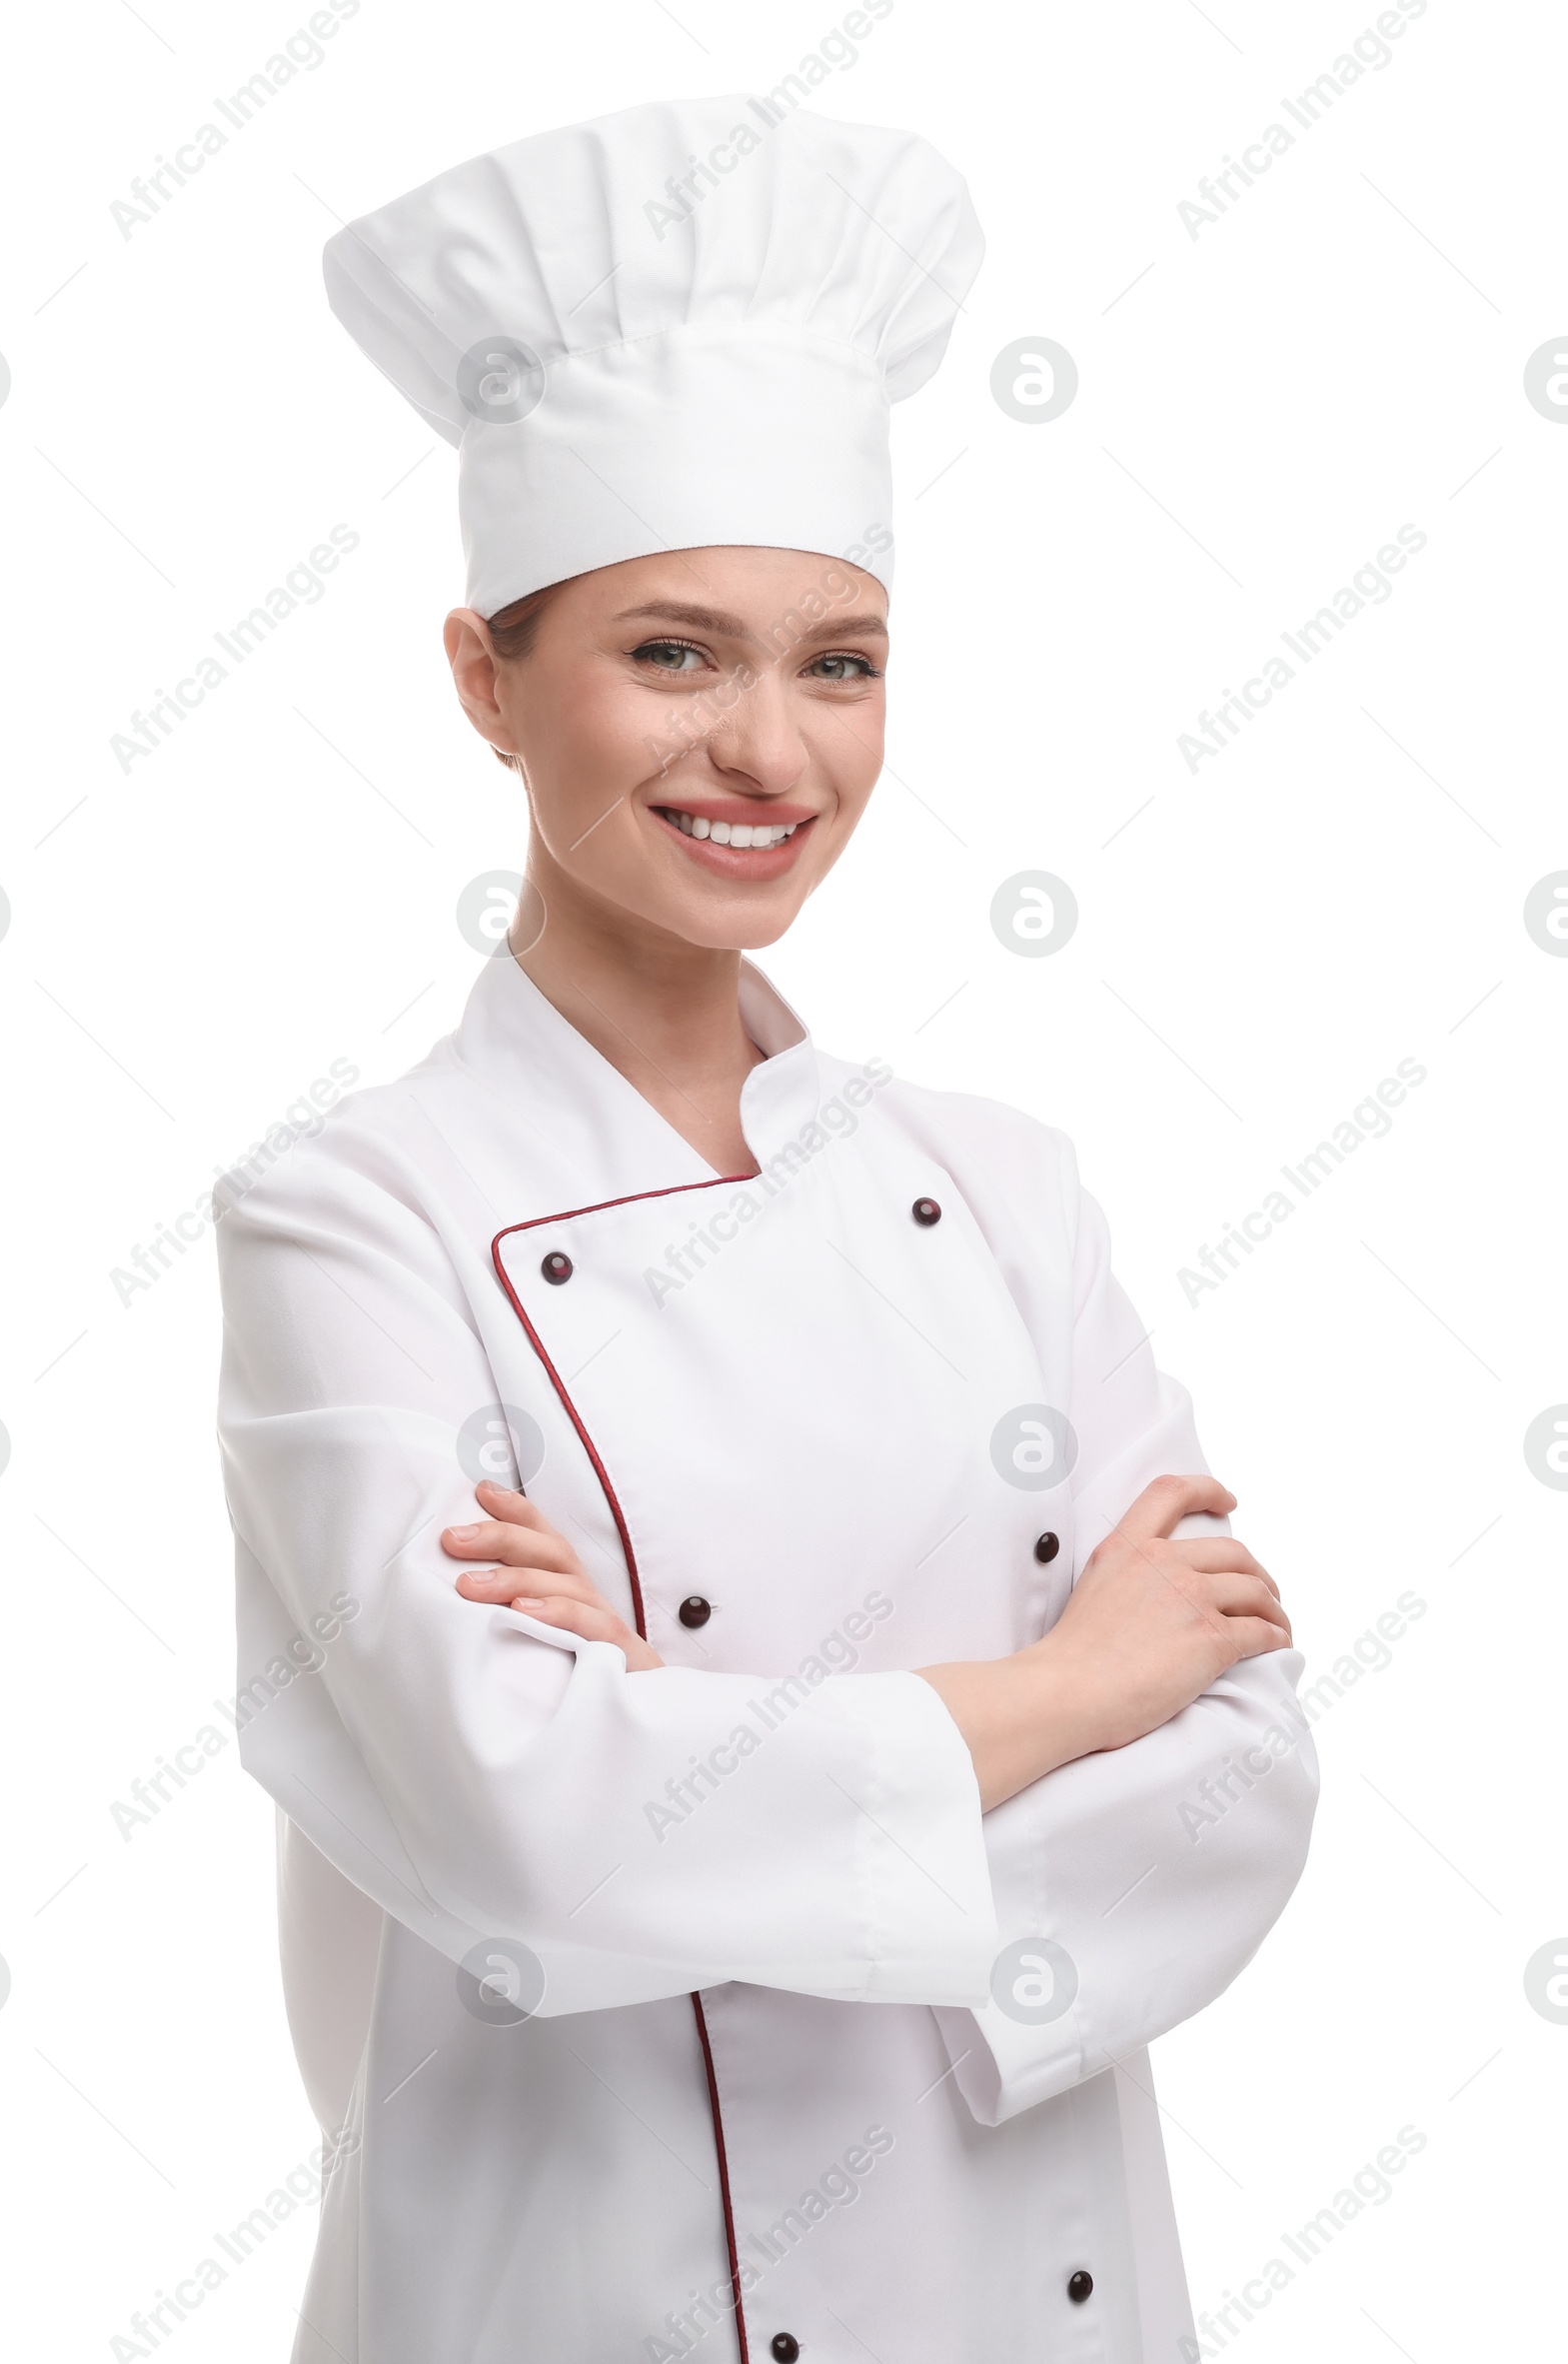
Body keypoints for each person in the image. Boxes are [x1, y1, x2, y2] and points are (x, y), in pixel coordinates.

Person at [215, 95, 1318, 2364]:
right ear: (482, 678)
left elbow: (1231, 1778)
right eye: (672, 652)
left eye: (838, 661)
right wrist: (1057, 1692)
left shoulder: (1006, 1187)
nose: (771, 752)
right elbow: (512, 1834)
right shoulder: (352, 1217)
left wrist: (680, 1748)